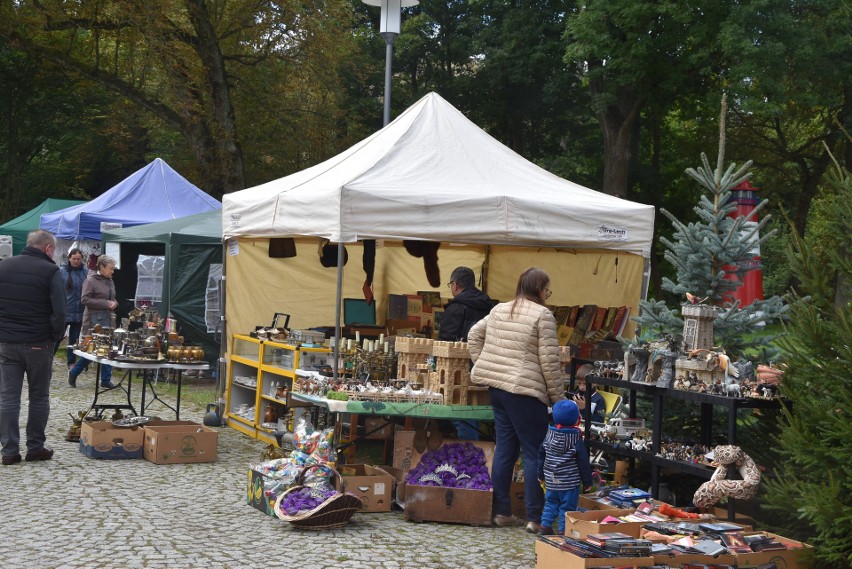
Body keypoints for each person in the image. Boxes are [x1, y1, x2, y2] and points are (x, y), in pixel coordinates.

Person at [468, 267, 564, 533]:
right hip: (525, 392)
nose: (547, 294)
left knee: (505, 450)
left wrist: (485, 363)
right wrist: (559, 401)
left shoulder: (500, 309)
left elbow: (473, 335)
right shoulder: (543, 315)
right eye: (547, 289)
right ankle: (535, 517)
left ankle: (501, 512)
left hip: (498, 389)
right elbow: (549, 362)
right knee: (534, 453)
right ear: (538, 289)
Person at [0, 229, 66, 465]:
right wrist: (54, 338)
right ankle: (35, 447)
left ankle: (9, 450)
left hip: (7, 343)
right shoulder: (50, 270)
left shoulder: (4, 266)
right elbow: (60, 312)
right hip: (38, 342)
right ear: (48, 248)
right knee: (38, 397)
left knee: (8, 397)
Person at [438, 266, 494, 440]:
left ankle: (470, 453)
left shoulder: (456, 308)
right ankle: (478, 450)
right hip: (487, 367)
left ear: (455, 285)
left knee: (460, 412)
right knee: (477, 410)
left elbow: (445, 342)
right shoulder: (489, 306)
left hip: (460, 369)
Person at [536, 399, 593, 535]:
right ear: (576, 419)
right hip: (569, 482)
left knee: (551, 503)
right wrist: (587, 482)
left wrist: (540, 475)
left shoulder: (548, 435)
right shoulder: (576, 440)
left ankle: (545, 526)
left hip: (551, 479)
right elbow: (583, 462)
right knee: (567, 507)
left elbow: (541, 456)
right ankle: (563, 530)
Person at [68, 254, 118, 389]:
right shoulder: (90, 281)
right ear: (101, 267)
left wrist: (114, 304)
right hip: (94, 321)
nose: (112, 271)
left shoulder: (110, 281)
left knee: (108, 348)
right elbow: (85, 300)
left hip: (108, 319)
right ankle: (74, 372)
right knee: (93, 350)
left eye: (113, 269)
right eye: (110, 269)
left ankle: (105, 380)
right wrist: (105, 303)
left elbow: (112, 299)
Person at [54, 248, 87, 370]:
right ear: (69, 258)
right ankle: (49, 358)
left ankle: (71, 361)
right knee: (58, 336)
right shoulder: (61, 272)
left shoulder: (86, 272)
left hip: (79, 311)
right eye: (74, 259)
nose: (76, 261)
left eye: (78, 259)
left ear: (82, 259)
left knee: (74, 339)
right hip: (64, 310)